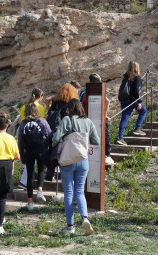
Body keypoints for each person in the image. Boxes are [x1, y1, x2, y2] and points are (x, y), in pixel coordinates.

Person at [52, 99, 100, 235]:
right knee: (79, 192)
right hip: (83, 160)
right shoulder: (88, 121)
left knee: (68, 193)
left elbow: (56, 138)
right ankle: (85, 218)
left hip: (68, 160)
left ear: (69, 109)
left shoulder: (67, 120)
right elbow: (96, 140)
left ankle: (70, 226)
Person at [18, 103, 51, 211]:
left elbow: (20, 141)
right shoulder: (42, 121)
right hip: (41, 149)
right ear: (37, 110)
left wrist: (22, 156)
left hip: (29, 151)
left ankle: (30, 202)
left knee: (30, 175)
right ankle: (40, 191)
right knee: (41, 170)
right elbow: (49, 134)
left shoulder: (23, 123)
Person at [45, 83, 80, 181]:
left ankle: (50, 172)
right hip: (64, 130)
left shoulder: (56, 102)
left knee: (54, 149)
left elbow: (49, 114)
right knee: (63, 151)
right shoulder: (70, 104)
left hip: (53, 129)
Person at [80, 73, 114, 165]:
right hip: (98, 118)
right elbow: (107, 101)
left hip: (87, 119)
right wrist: (104, 114)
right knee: (104, 134)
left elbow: (80, 106)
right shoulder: (99, 89)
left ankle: (91, 155)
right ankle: (107, 155)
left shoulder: (84, 91)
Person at [14, 88, 45, 190]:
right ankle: (24, 181)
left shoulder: (24, 106)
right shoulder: (40, 107)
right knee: (34, 161)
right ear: (39, 97)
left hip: (23, 132)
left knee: (27, 157)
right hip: (34, 135)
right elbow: (42, 121)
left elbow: (20, 120)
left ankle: (24, 175)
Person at [116, 61, 147, 144]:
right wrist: (139, 102)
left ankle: (120, 138)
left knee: (124, 118)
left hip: (124, 100)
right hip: (133, 100)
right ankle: (137, 128)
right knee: (143, 111)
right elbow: (137, 91)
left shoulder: (125, 77)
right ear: (137, 67)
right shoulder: (137, 77)